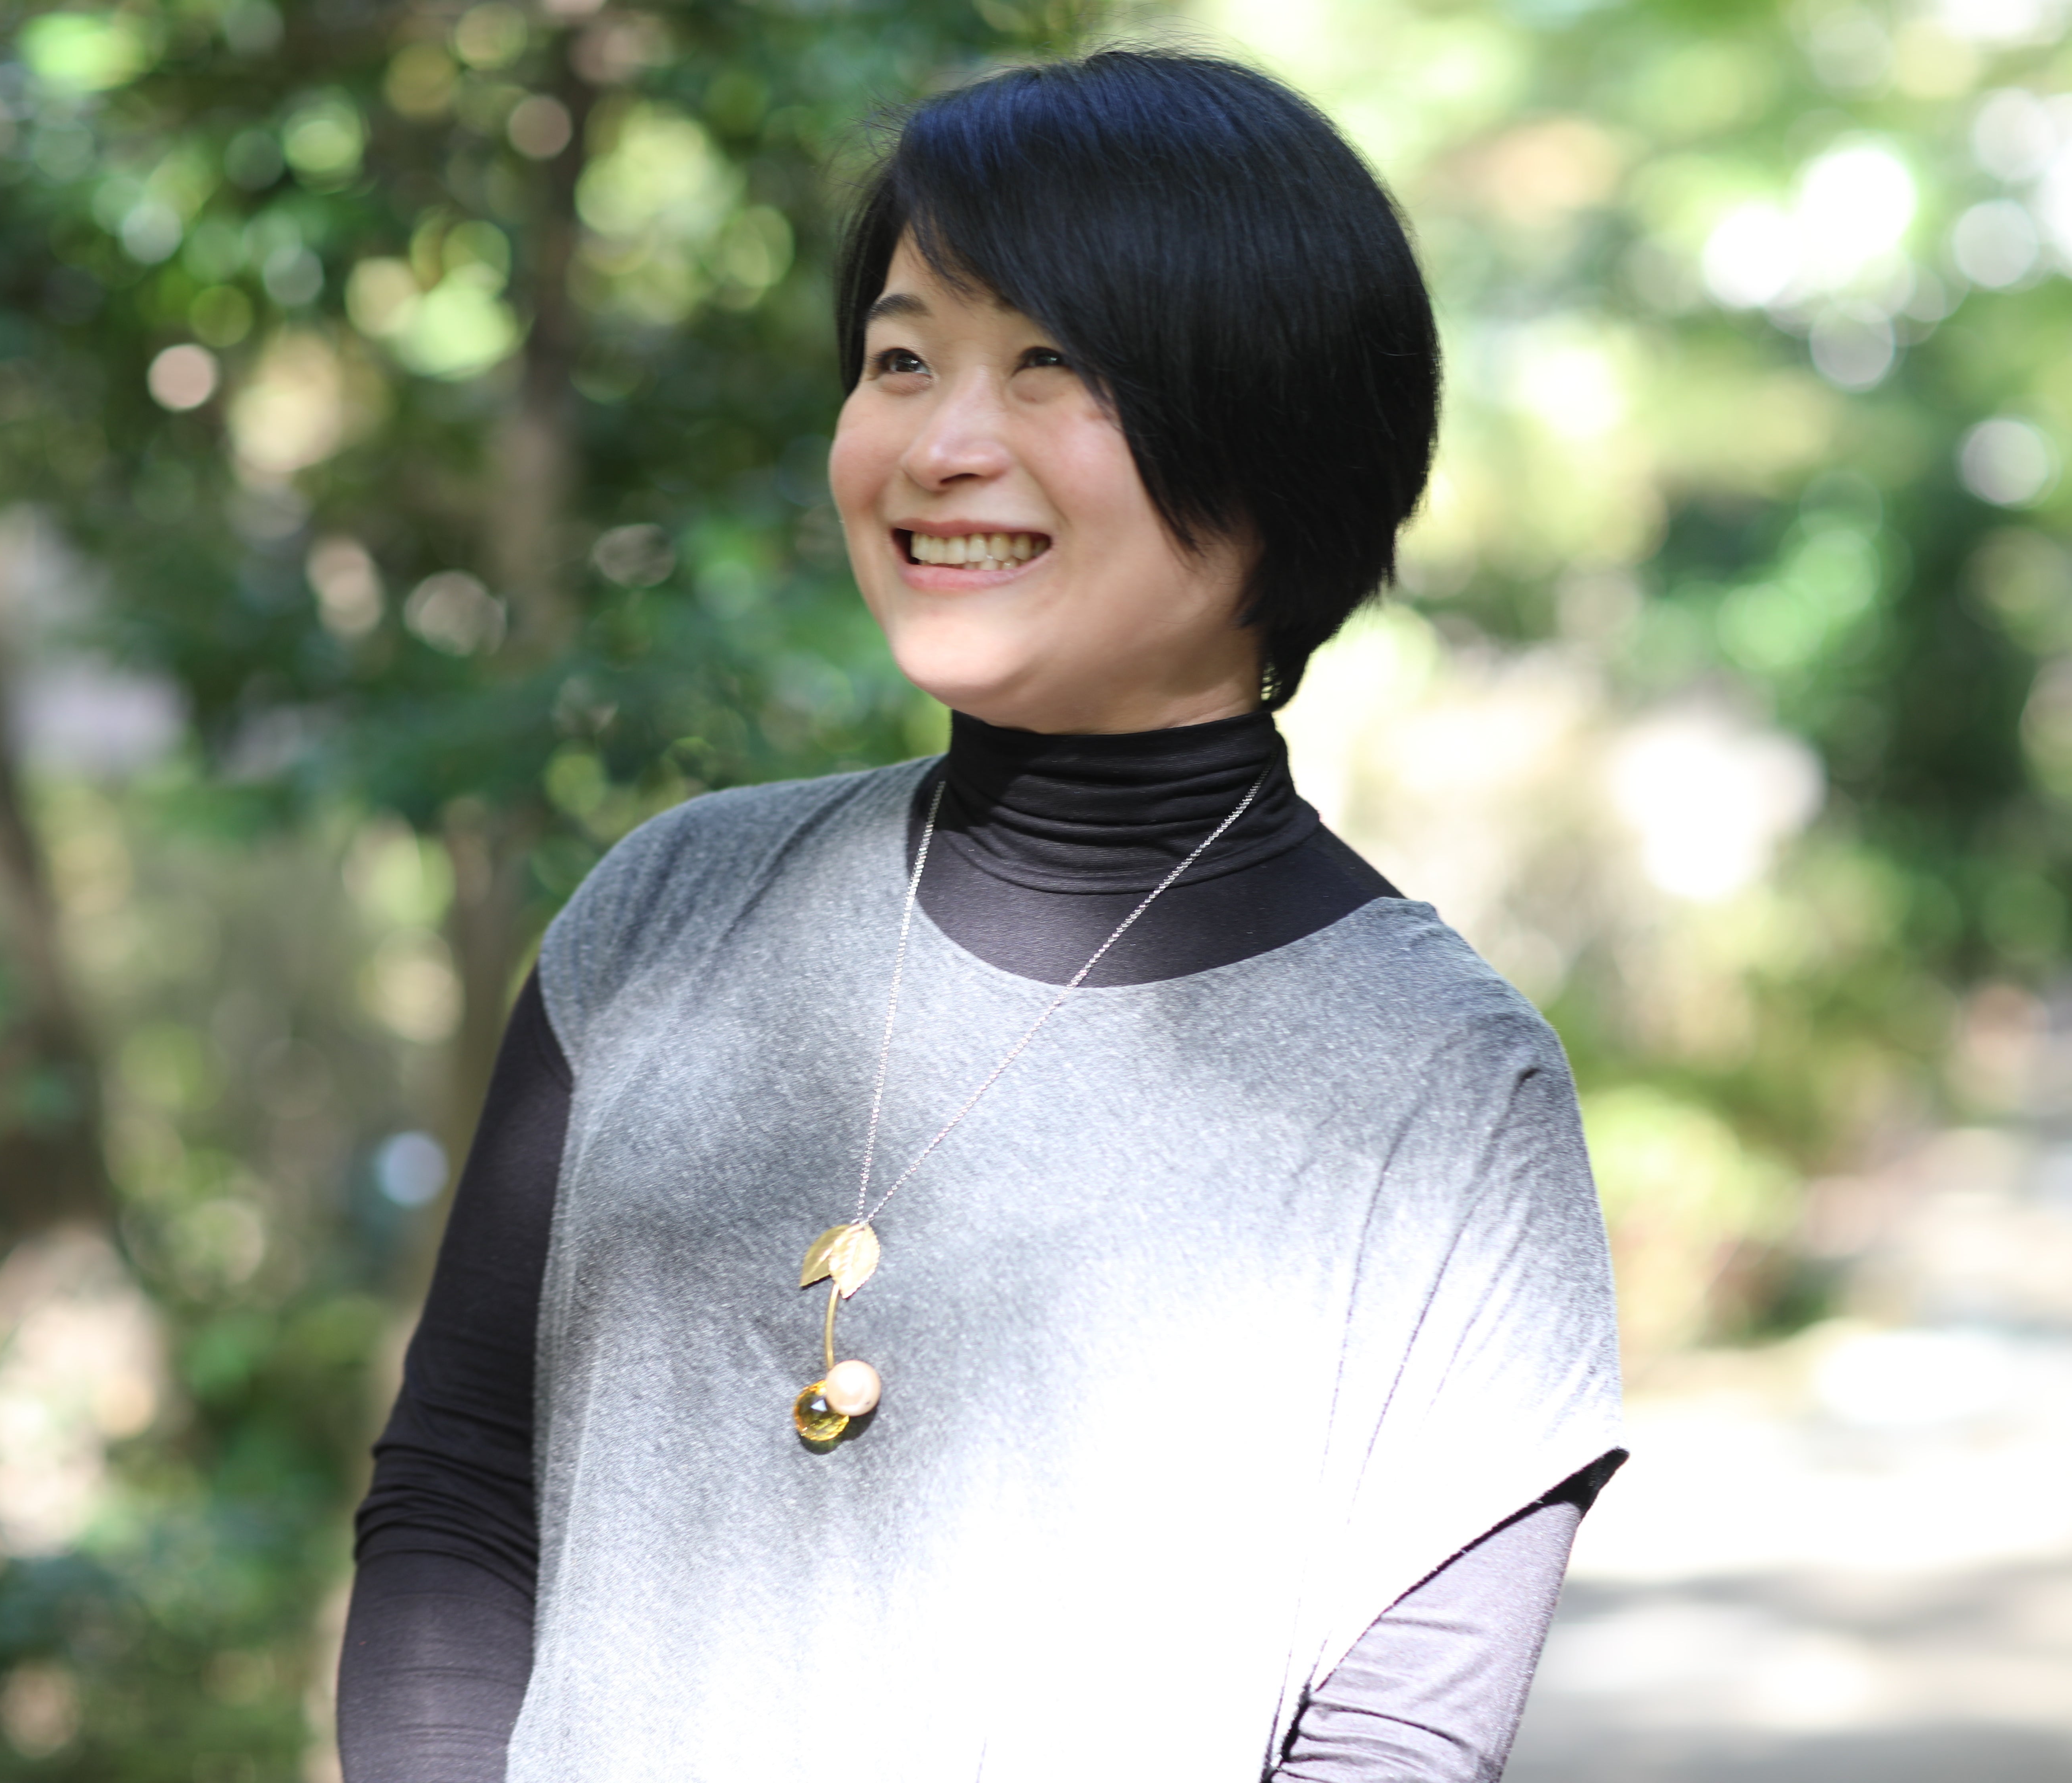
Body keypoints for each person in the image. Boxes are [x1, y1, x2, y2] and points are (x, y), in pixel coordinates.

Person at [338, 48, 1624, 1783]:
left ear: (1281, 431)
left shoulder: (1444, 1088)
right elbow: (459, 1502)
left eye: (1054, 366)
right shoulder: (666, 915)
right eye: (902, 359)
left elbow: (1391, 1744)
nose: (944, 445)